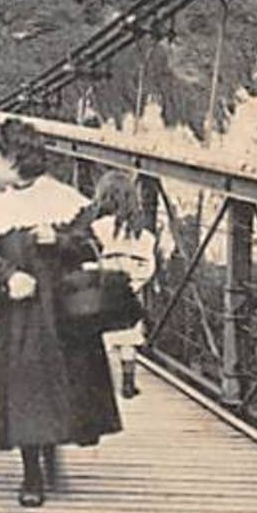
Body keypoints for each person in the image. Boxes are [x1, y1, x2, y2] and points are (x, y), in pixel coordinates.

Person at [0, 117, 120, 508]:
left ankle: (51, 445)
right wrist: (9, 275)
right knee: (23, 386)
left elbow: (92, 248)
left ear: (14, 158)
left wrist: (61, 241)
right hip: (21, 314)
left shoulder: (65, 200)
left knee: (63, 381)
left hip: (63, 311)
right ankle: (31, 472)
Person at [87, 171, 157, 400]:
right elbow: (148, 266)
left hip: (103, 292)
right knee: (128, 340)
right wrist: (135, 283)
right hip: (129, 293)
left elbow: (88, 259)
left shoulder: (97, 228)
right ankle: (128, 383)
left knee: (103, 339)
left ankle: (100, 384)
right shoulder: (143, 234)